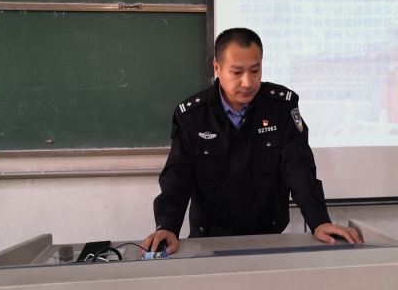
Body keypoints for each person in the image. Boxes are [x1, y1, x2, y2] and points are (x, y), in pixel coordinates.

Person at [141, 27, 361, 255]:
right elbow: (177, 178)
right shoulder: (192, 117)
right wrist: (167, 226)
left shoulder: (281, 108)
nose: (247, 82)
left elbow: (299, 169)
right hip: (209, 241)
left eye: (255, 71)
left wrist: (319, 221)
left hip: (268, 240)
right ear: (217, 68)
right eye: (237, 72)